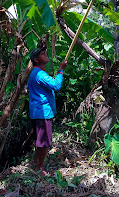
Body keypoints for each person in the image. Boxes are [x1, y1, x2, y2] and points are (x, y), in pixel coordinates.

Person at [27, 47, 68, 176]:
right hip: (43, 112)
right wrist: (61, 70)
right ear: (36, 59)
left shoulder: (36, 73)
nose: (45, 55)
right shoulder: (39, 74)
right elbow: (56, 85)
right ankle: (39, 168)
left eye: (45, 52)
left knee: (40, 139)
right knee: (44, 141)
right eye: (42, 54)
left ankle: (35, 162)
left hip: (38, 111)